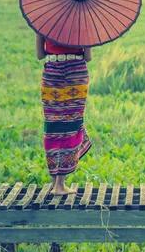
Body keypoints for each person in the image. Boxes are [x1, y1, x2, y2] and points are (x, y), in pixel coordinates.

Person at [36, 34, 92, 195]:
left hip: (52, 72)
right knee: (72, 124)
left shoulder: (43, 22)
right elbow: (88, 57)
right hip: (76, 73)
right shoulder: (82, 24)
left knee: (53, 125)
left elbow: (40, 54)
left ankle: (55, 183)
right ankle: (60, 184)